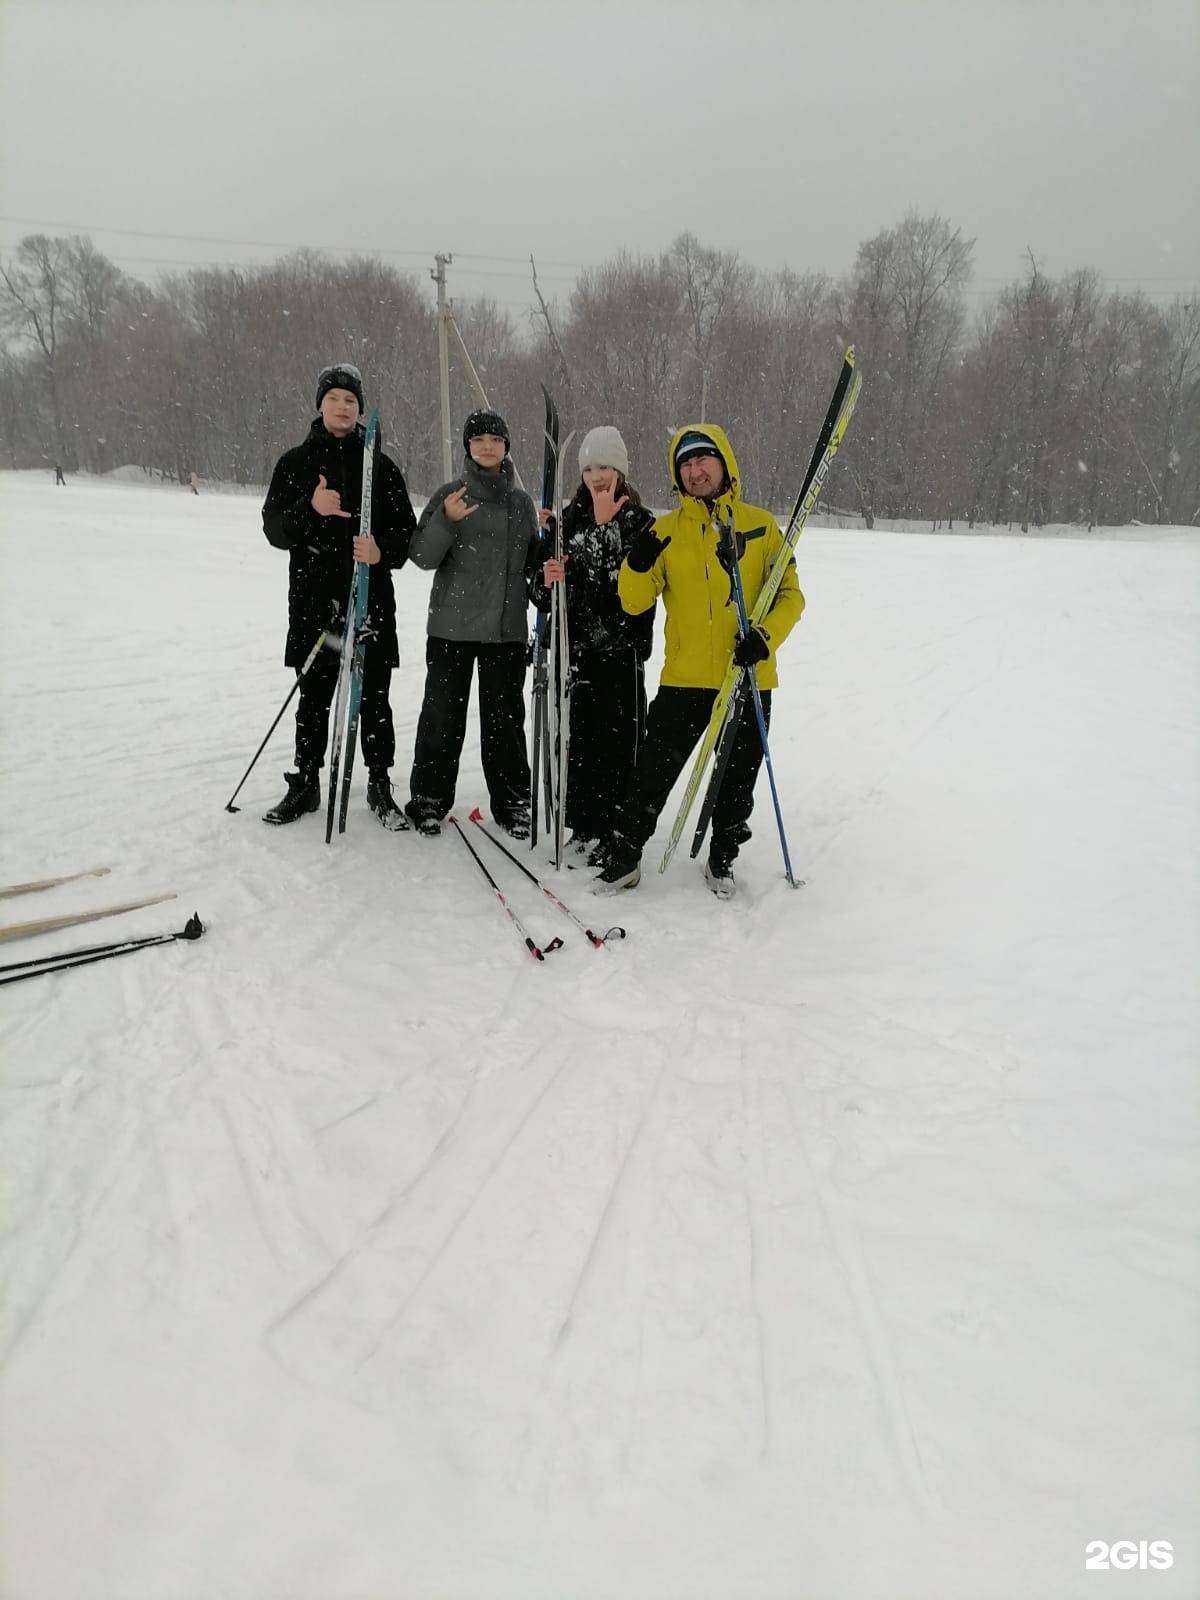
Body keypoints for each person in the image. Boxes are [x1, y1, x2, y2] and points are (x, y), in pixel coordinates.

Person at [592, 423, 804, 899]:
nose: (696, 469)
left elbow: (791, 595)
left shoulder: (761, 526)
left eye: (704, 459)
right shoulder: (664, 532)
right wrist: (638, 563)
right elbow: (633, 602)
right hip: (684, 679)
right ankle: (626, 856)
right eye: (686, 463)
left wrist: (765, 637)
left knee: (737, 778)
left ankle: (722, 857)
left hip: (748, 676)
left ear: (724, 462)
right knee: (652, 774)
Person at [261, 363, 416, 829]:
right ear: (320, 405)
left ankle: (378, 783)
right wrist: (312, 509)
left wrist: (380, 550)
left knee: (374, 697)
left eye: (351, 400)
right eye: (335, 399)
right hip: (314, 599)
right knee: (314, 695)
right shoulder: (295, 463)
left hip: (368, 600)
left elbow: (405, 533)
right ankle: (306, 783)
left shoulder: (381, 466)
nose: (343, 407)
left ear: (360, 408)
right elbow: (274, 529)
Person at [405, 408, 540, 837]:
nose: (487, 446)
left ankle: (514, 801)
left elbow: (530, 566)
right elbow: (422, 556)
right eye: (479, 439)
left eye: (495, 440)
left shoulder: (521, 504)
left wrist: (548, 544)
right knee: (442, 717)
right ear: (467, 446)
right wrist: (446, 520)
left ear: (506, 448)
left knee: (505, 723)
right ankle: (428, 799)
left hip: (505, 631)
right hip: (452, 630)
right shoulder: (451, 494)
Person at [533, 425, 655, 860]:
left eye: (604, 465)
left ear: (620, 468)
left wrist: (606, 530)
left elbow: (626, 594)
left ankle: (614, 830)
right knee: (579, 744)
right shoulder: (567, 521)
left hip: (621, 654)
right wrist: (546, 581)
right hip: (577, 651)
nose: (596, 475)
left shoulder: (640, 523)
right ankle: (583, 824)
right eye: (588, 467)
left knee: (618, 746)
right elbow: (541, 591)